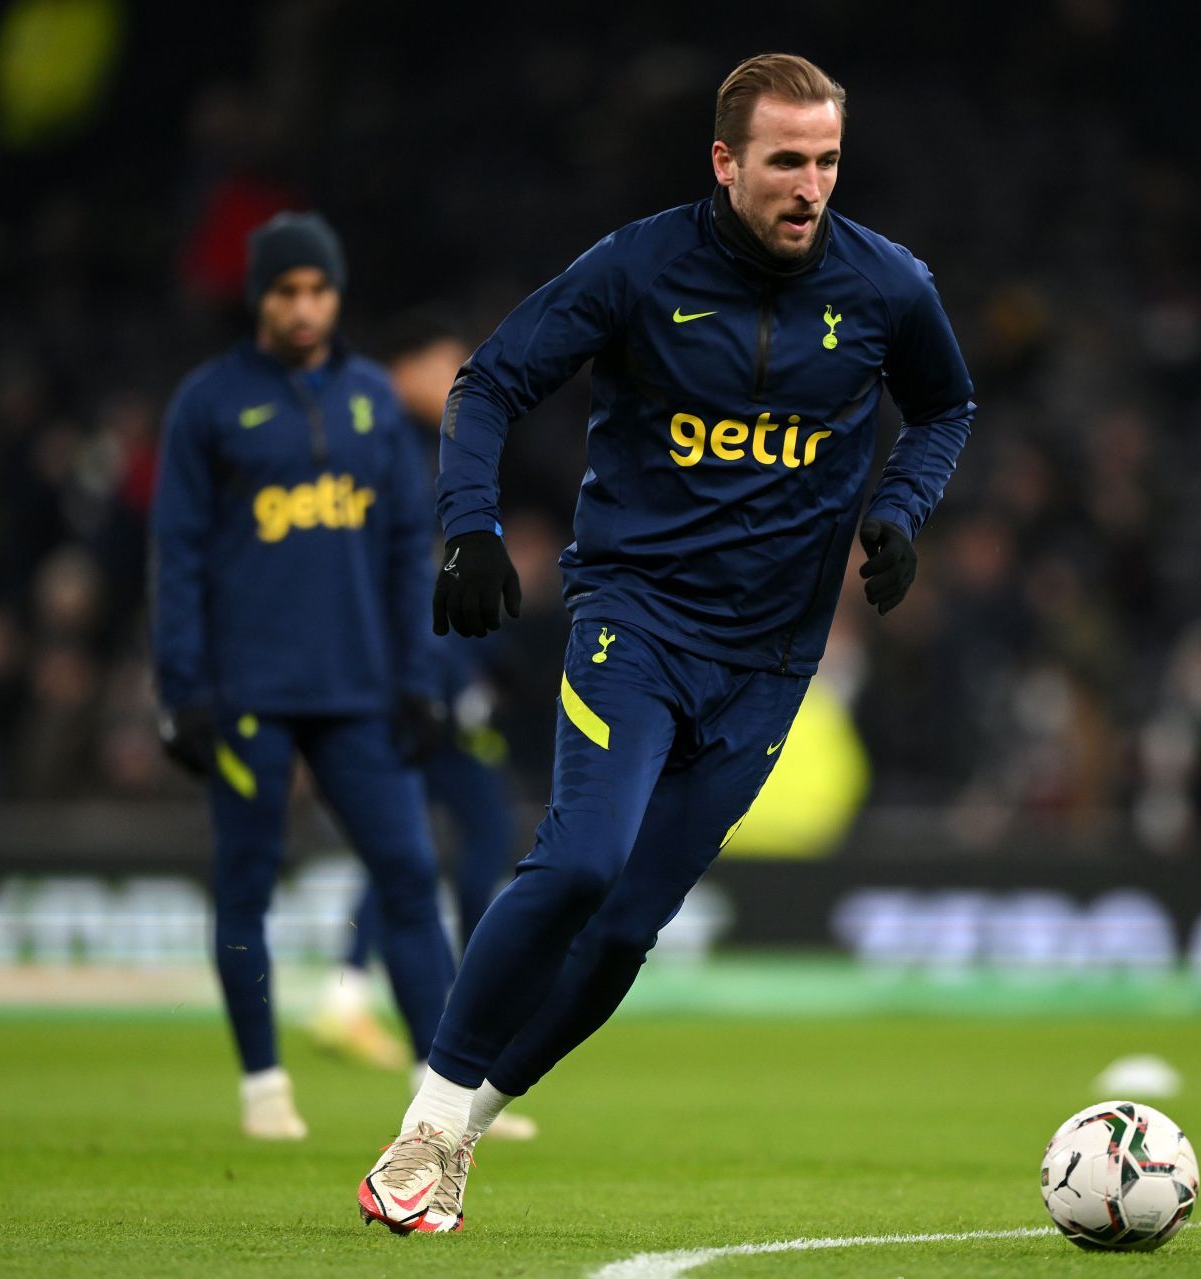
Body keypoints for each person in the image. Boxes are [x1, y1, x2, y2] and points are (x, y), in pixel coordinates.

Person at [357, 53, 975, 1234]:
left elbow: (947, 405)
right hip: (633, 620)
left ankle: (469, 1127)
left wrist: (900, 510)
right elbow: (487, 384)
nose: (810, 186)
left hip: (769, 664)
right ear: (725, 161)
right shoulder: (639, 266)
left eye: (828, 160)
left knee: (630, 925)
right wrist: (470, 529)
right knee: (581, 861)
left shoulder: (888, 287)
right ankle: (425, 1122)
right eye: (786, 160)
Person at [150, 212, 456, 1140]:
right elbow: (178, 554)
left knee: (408, 874)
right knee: (246, 882)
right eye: (287, 290)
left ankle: (441, 1096)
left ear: (336, 294)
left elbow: (411, 547)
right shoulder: (208, 406)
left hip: (362, 689)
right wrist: (183, 687)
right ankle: (263, 1086)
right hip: (251, 694)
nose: (304, 307)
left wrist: (420, 673)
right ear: (259, 297)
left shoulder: (370, 398)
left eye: (318, 290)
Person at [308, 316, 535, 1140]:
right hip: (411, 682)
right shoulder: (385, 437)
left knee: (415, 849)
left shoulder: (404, 443)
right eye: (446, 364)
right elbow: (401, 578)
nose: (455, 382)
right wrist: (443, 681)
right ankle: (460, 1040)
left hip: (419, 675)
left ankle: (366, 1002)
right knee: (467, 839)